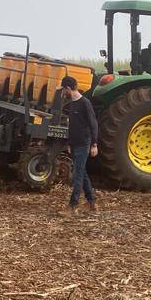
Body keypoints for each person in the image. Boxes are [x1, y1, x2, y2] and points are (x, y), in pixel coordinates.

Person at [61, 75, 98, 215]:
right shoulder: (72, 103)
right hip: (75, 144)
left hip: (84, 143)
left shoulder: (85, 103)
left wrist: (94, 144)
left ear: (68, 88)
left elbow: (93, 124)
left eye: (63, 90)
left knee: (77, 174)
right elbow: (72, 126)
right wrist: (70, 144)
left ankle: (72, 206)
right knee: (82, 173)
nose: (63, 92)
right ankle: (92, 202)